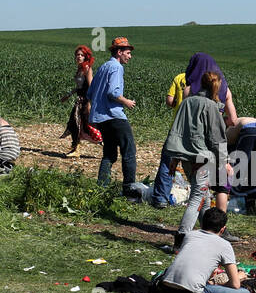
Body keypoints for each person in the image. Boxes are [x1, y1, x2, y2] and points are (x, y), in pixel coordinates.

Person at [162, 71, 228, 248]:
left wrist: (174, 159)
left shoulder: (187, 102)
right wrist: (224, 161)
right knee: (197, 197)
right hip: (202, 157)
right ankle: (182, 237)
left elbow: (177, 131)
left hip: (186, 156)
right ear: (217, 85)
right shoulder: (211, 106)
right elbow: (217, 138)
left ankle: (209, 234)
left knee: (204, 196)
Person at [152, 207, 248, 293]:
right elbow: (235, 285)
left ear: (202, 223)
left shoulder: (190, 235)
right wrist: (238, 277)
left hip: (164, 290)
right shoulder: (225, 245)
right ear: (223, 229)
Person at [87, 37, 138, 187]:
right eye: (128, 53)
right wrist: (126, 101)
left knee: (109, 154)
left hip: (101, 118)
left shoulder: (103, 67)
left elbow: (90, 93)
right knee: (129, 151)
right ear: (119, 52)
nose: (130, 56)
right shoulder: (116, 67)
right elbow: (113, 93)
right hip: (114, 115)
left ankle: (101, 187)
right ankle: (130, 188)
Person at [150, 68, 188, 208]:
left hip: (177, 127)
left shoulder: (179, 78)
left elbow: (169, 100)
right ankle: (199, 199)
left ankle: (160, 198)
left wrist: (178, 104)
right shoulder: (205, 81)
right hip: (196, 130)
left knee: (168, 162)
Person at [61, 46, 102, 157]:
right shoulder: (80, 69)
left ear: (86, 57)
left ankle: (105, 142)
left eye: (81, 55)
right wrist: (68, 95)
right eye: (77, 55)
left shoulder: (87, 69)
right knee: (75, 123)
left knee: (87, 124)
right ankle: (76, 149)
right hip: (79, 100)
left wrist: (89, 103)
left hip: (85, 101)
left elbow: (91, 86)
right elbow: (79, 87)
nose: (79, 57)